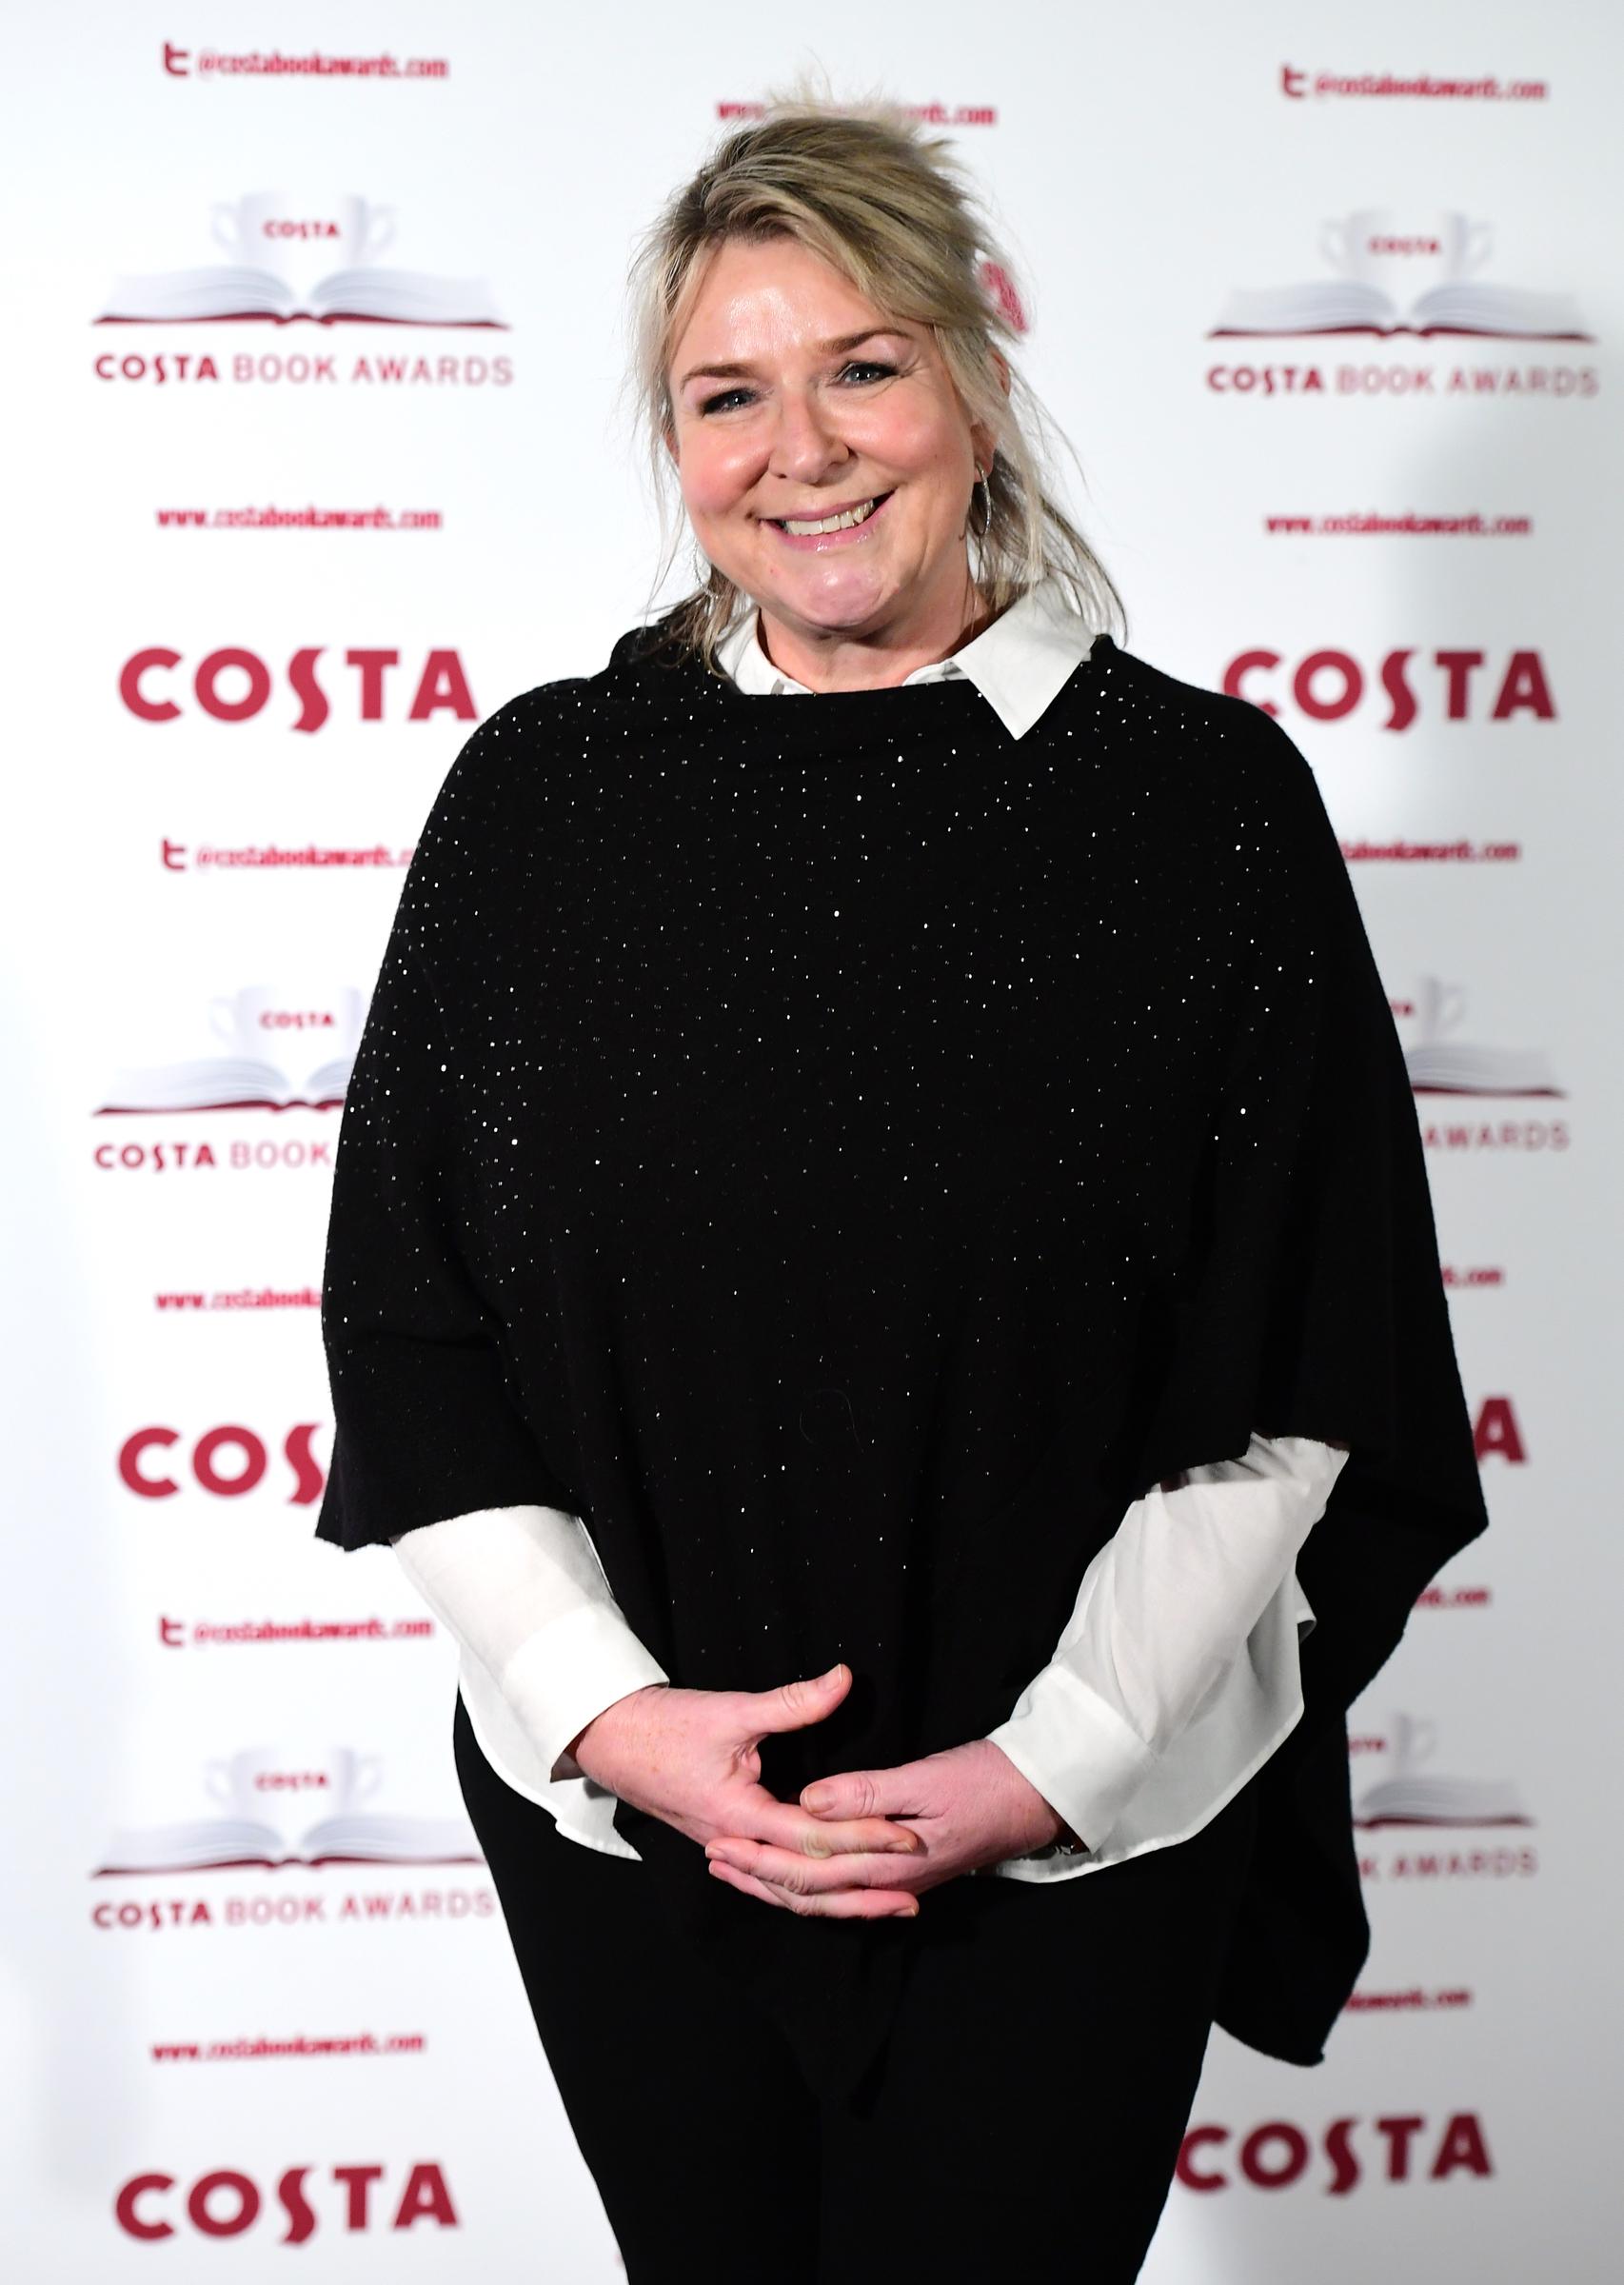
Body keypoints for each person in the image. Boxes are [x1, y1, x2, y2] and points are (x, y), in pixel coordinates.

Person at [314, 93, 1488, 2284]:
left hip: (1072, 1828)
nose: (803, 448)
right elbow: (407, 1319)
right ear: (673, 443)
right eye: (725, 395)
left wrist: (1046, 1767)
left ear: (972, 373)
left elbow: (1303, 1367)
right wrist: (609, 1720)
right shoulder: (541, 798)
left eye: (860, 365)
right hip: (636, 1832)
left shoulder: (1196, 810)